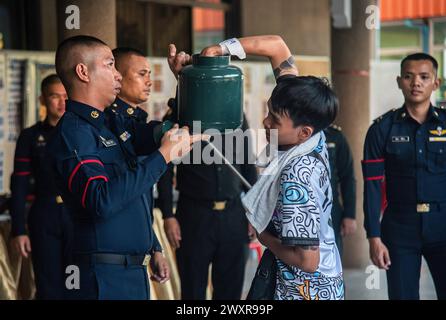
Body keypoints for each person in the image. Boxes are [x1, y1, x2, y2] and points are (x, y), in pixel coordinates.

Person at [48, 35, 201, 300]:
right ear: (83, 72)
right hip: (103, 278)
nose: (118, 75)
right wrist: (163, 156)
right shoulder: (74, 133)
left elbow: (170, 131)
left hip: (133, 271)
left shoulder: (112, 123)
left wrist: (184, 81)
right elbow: (101, 200)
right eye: (110, 65)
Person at [202, 35, 343, 300]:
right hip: (328, 279)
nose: (265, 122)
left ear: (304, 132)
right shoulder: (312, 129)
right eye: (269, 112)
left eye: (274, 120)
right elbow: (276, 46)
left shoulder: (297, 177)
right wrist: (220, 50)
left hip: (302, 291)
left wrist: (265, 238)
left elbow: (307, 261)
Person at [156, 45, 258, 300]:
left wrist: (255, 212)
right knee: (193, 290)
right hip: (194, 216)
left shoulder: (236, 116)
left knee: (231, 292)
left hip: (234, 214)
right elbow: (165, 170)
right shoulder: (180, 116)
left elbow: (248, 163)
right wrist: (168, 215)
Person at [362, 53, 446, 300]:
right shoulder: (381, 129)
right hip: (400, 227)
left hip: (445, 225)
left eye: (424, 77)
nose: (416, 83)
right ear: (399, 81)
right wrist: (374, 237)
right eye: (409, 77)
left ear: (436, 83)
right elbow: (372, 186)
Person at [9, 74, 69, 299]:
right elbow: (20, 184)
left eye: (66, 96)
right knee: (48, 283)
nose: (62, 102)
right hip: (45, 215)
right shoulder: (30, 137)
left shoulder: (78, 132)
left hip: (76, 215)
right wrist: (19, 229)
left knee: (76, 281)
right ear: (42, 99)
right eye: (55, 96)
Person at [324, 124, 357, 255]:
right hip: (295, 208)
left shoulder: (335, 135)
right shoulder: (281, 132)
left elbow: (348, 177)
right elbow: (268, 173)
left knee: (332, 260)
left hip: (331, 210)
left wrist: (350, 215)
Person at [110, 47, 151, 123]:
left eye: (149, 74)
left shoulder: (138, 115)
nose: (149, 82)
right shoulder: (111, 118)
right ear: (117, 76)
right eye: (142, 74)